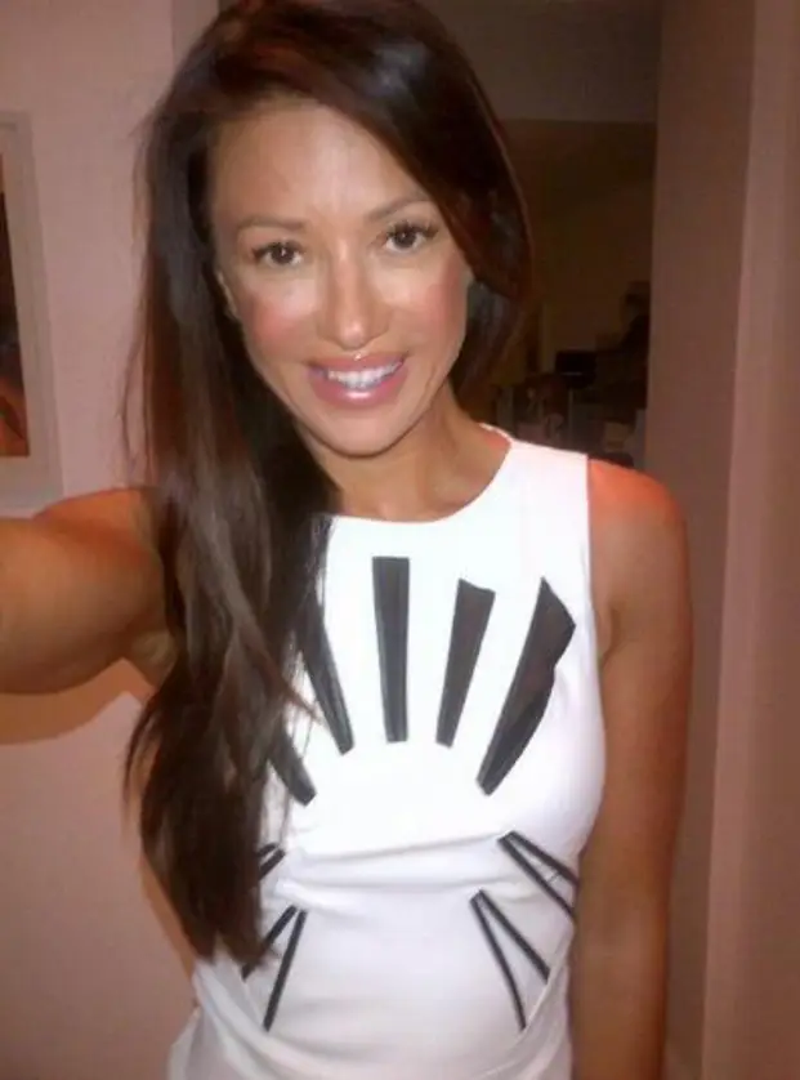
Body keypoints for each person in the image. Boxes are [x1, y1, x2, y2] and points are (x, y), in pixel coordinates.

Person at [0, 1, 691, 1077]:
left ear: (473, 239)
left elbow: (623, 929)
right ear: (222, 284)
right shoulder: (181, 552)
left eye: (401, 235)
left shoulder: (619, 533)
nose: (352, 320)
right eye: (282, 252)